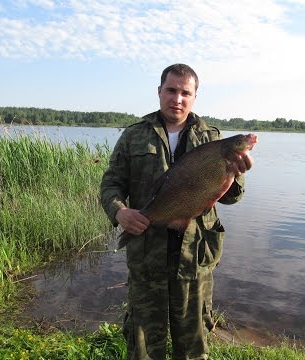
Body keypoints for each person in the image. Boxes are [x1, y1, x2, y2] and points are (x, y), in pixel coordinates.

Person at [100, 63, 252, 359]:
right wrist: (120, 212)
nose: (177, 99)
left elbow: (231, 199)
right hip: (147, 257)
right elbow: (110, 185)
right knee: (143, 347)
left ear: (195, 97)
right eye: (171, 90)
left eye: (185, 92)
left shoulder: (212, 138)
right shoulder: (134, 136)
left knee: (194, 347)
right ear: (159, 92)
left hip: (195, 258)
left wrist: (236, 176)